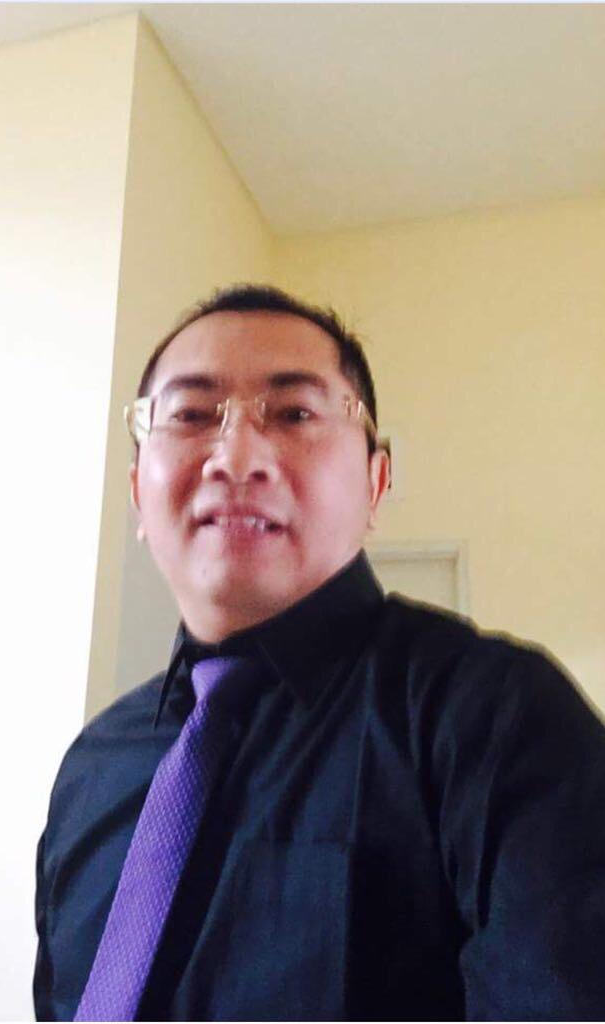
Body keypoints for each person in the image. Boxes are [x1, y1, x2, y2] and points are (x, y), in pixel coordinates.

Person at [34, 284, 605, 1021]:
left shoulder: (493, 719)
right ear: (139, 491)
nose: (235, 458)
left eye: (295, 413)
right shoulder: (92, 767)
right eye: (191, 415)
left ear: (375, 482)